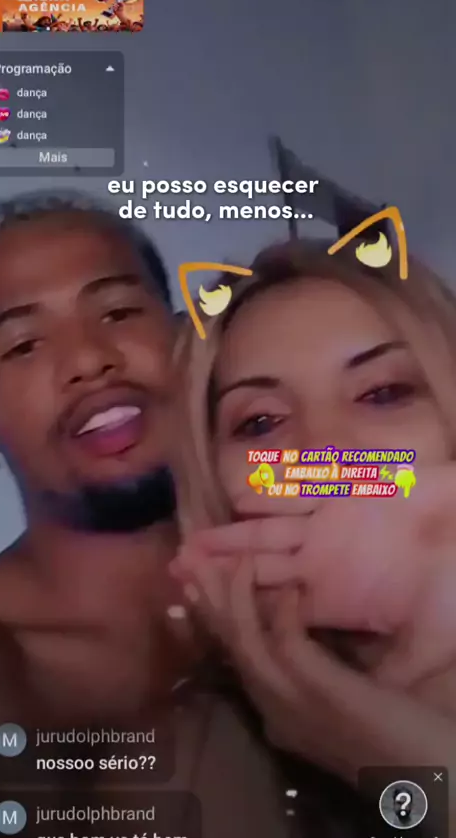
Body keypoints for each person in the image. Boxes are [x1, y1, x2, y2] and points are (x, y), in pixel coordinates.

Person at [0, 192, 300, 838]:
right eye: (24, 345)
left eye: (119, 312)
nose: (89, 361)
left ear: (182, 338)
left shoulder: (316, 553)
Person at [171, 240, 456, 829]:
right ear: (215, 480)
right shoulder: (196, 756)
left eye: (384, 392)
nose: (328, 451)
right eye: (261, 423)